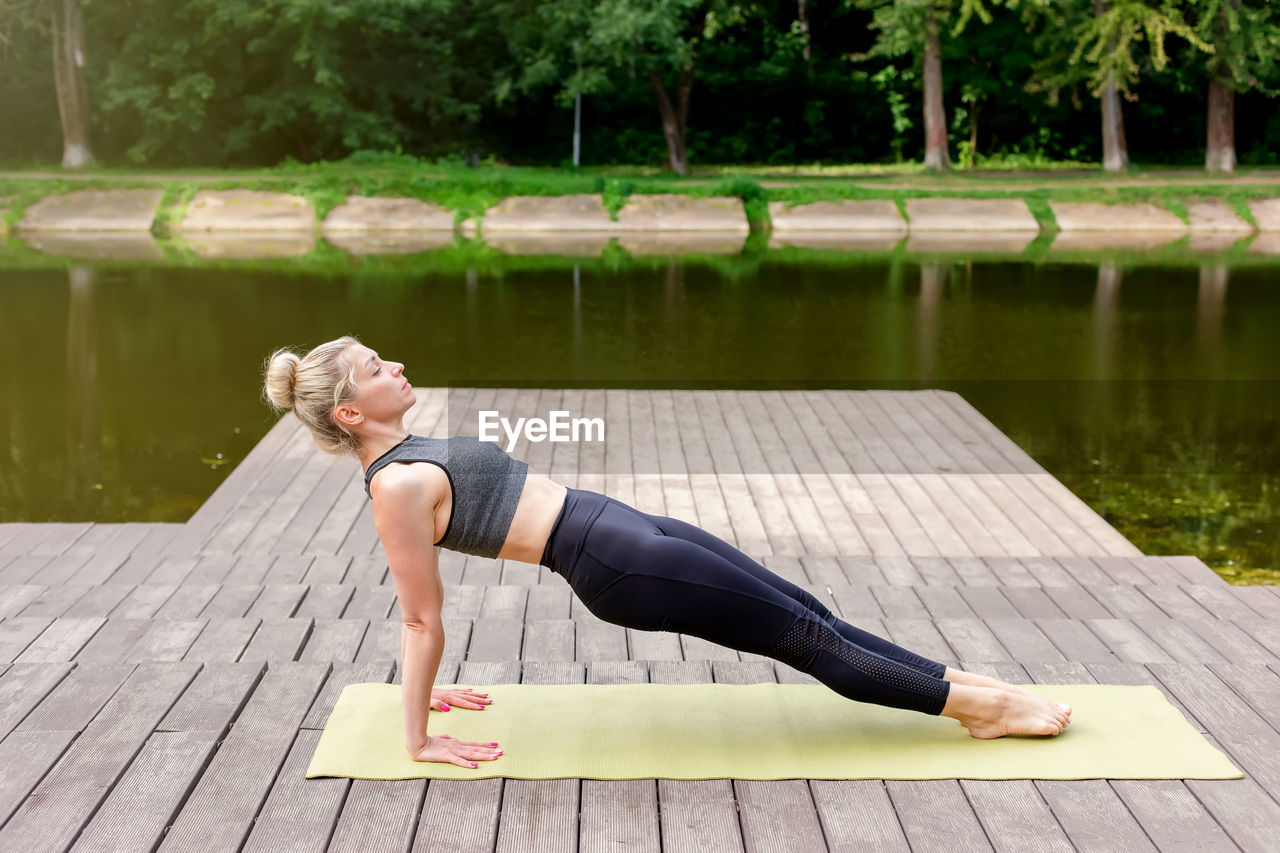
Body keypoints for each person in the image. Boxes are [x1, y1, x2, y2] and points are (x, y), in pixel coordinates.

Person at [263, 336, 1071, 769]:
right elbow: (419, 617)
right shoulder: (393, 487)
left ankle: (959, 683)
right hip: (610, 563)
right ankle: (984, 713)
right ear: (350, 411)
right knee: (806, 640)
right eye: (377, 368)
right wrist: (418, 733)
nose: (395, 364)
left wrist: (431, 695)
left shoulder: (408, 443)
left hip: (614, 521)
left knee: (809, 609)